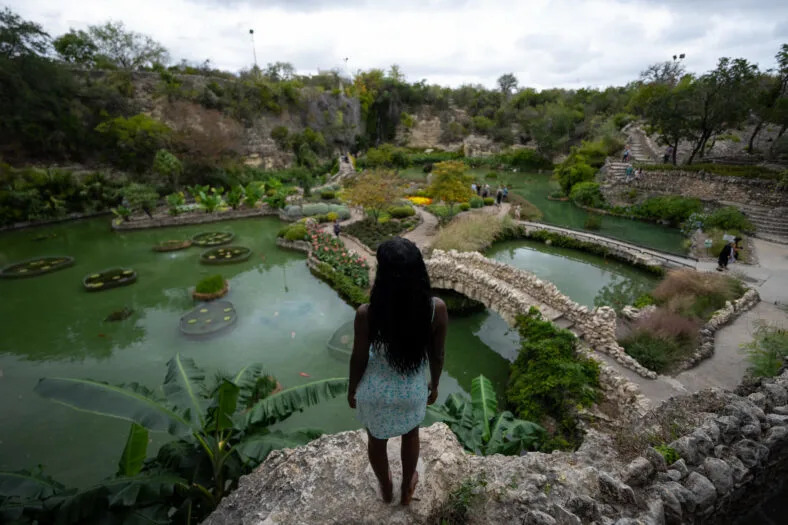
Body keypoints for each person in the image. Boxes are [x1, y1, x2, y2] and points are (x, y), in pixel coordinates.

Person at [348, 238, 447, 505]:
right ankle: (406, 491)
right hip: (411, 391)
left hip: (374, 392)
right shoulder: (435, 309)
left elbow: (358, 359)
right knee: (411, 435)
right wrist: (434, 384)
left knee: (376, 441)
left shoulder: (367, 313)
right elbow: (437, 355)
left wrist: (351, 389)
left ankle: (386, 486)